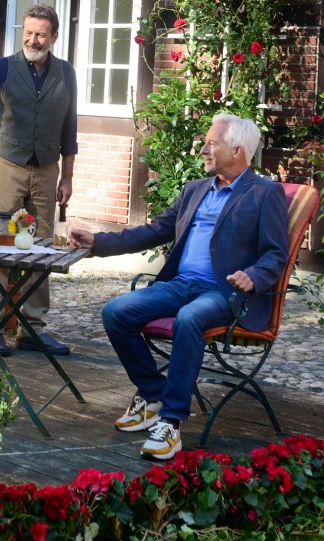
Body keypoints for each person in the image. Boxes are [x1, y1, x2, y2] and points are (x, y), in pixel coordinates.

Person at [67, 113, 288, 460]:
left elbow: (277, 253)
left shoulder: (264, 193)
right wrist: (97, 241)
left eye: (212, 143)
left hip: (225, 292)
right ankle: (154, 394)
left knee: (189, 318)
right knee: (116, 312)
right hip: (180, 285)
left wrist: (255, 276)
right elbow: (153, 231)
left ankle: (170, 423)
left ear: (238, 150)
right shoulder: (194, 190)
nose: (204, 149)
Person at [0, 2, 77, 356]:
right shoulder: (3, 68)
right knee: (0, 243)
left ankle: (32, 328)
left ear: (54, 37)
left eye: (41, 34)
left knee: (42, 246)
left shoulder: (66, 72)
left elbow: (70, 130)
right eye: (28, 32)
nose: (33, 39)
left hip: (48, 169)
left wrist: (68, 177)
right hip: (8, 165)